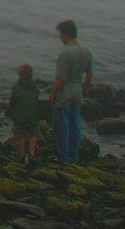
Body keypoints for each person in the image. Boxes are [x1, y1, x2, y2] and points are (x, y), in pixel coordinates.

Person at [49, 19, 93, 164]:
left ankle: (63, 158)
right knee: (75, 124)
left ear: (66, 35)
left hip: (65, 92)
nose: (60, 38)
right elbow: (89, 75)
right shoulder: (86, 51)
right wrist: (85, 88)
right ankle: (73, 156)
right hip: (77, 91)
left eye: (61, 35)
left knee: (62, 126)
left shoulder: (65, 53)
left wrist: (53, 94)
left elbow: (60, 80)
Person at [8, 63, 39, 163]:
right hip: (33, 115)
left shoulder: (16, 85)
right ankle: (31, 153)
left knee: (20, 133)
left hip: (20, 116)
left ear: (20, 74)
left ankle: (21, 155)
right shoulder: (35, 86)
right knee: (33, 132)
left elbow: (12, 101)